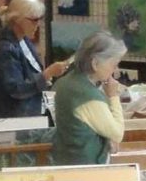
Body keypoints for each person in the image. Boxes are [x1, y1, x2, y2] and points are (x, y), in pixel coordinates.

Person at [49, 31, 128, 167]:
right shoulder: (88, 96)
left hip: (65, 159)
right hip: (86, 165)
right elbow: (117, 134)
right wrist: (113, 96)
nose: (116, 69)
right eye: (114, 64)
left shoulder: (66, 82)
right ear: (95, 63)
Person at [0, 0, 49, 119]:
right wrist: (46, 76)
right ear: (18, 20)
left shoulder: (24, 41)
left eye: (39, 20)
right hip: (11, 119)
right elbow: (16, 88)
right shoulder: (6, 48)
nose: (38, 25)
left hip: (27, 114)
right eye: (34, 20)